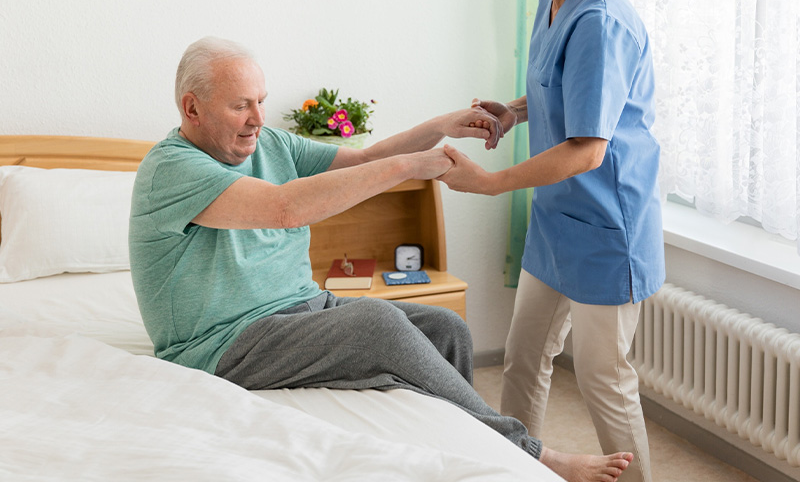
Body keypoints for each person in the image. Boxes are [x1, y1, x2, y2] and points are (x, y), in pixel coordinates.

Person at [129, 36, 632, 482]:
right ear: (192, 109)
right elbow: (284, 209)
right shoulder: (173, 169)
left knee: (445, 328)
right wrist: (411, 166)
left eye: (260, 101)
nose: (259, 119)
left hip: (300, 308)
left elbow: (363, 160)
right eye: (242, 106)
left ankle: (459, 455)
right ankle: (527, 452)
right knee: (379, 323)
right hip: (223, 343)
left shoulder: (268, 142)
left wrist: (441, 126)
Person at [438, 0, 665, 482]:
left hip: (606, 226)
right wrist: (514, 111)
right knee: (522, 362)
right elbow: (560, 91)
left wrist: (491, 184)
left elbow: (588, 148)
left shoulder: (602, 20)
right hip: (556, 221)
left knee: (603, 379)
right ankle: (513, 470)